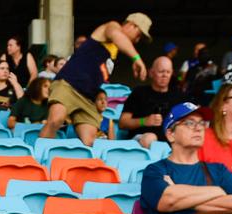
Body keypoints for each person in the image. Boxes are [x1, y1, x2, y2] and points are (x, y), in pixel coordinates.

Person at [141, 102, 232, 214]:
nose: (198, 128)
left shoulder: (218, 170)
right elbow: (168, 201)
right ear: (170, 134)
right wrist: (221, 191)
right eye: (189, 123)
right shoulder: (156, 170)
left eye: (202, 123)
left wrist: (181, 201)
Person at [41, 13, 151, 146]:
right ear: (132, 25)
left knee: (90, 141)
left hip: (88, 96)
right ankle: (35, 162)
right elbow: (117, 35)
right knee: (55, 120)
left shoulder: (114, 50)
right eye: (138, 35)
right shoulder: (112, 26)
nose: (137, 40)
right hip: (68, 84)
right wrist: (136, 58)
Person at [120, 55, 183, 149]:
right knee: (149, 138)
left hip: (169, 143)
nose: (164, 75)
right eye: (161, 71)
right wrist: (144, 121)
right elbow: (123, 123)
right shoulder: (139, 92)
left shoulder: (178, 96)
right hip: (141, 142)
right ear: (151, 73)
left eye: (168, 72)